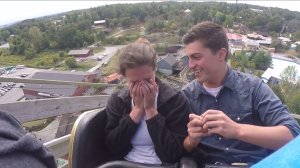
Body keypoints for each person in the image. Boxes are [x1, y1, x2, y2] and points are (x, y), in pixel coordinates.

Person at [181, 21, 300, 166]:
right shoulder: (186, 96)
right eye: (189, 58)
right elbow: (177, 147)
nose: (191, 65)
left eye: (197, 57)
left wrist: (236, 130)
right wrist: (191, 140)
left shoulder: (253, 88)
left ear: (221, 54)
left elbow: (293, 135)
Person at [104, 39, 190, 165]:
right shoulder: (118, 101)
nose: (142, 86)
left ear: (155, 69)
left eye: (148, 80)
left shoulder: (175, 100)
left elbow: (173, 153)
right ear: (125, 78)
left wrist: (151, 111)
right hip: (125, 163)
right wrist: (137, 110)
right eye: (134, 82)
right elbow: (113, 146)